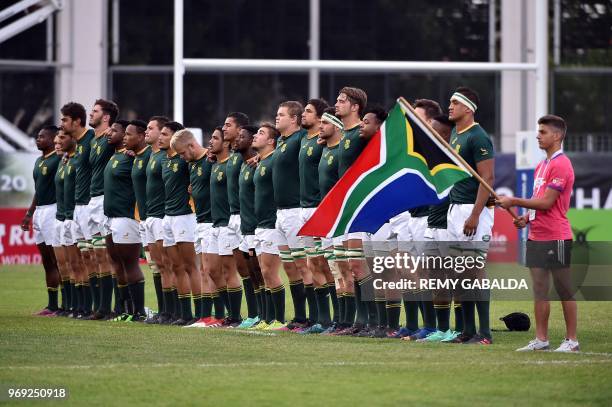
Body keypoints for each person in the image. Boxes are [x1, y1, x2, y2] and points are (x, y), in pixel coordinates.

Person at [497, 115, 579, 352]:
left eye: (543, 132)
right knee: (540, 290)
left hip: (557, 236)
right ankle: (541, 339)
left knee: (564, 289)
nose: (538, 136)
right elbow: (537, 203)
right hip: (537, 236)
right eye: (538, 131)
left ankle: (571, 340)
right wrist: (525, 217)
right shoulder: (541, 165)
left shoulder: (561, 164)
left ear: (557, 135)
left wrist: (513, 200)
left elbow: (547, 203)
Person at [445, 87, 495, 345]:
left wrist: (475, 214)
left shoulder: (478, 137)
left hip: (472, 211)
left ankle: (484, 333)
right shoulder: (455, 133)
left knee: (475, 270)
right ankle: (467, 331)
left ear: (468, 108)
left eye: (454, 102)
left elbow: (487, 178)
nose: (449, 106)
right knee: (458, 272)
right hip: (455, 209)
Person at [333, 86, 376, 336]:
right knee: (352, 265)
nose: (336, 104)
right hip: (347, 208)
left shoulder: (363, 133)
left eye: (341, 101)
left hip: (361, 208)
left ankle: (372, 320)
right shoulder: (344, 134)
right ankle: (360, 322)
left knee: (360, 266)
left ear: (355, 107)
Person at [171, 128, 222, 328]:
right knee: (204, 270)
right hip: (199, 221)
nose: (182, 158)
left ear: (191, 145)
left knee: (211, 270)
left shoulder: (211, 161)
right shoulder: (192, 165)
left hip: (213, 221)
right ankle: (205, 316)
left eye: (183, 153)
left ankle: (219, 315)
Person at [272, 101, 312, 330]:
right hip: (280, 212)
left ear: (294, 119)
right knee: (289, 267)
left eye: (281, 115)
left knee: (303, 265)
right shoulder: (281, 141)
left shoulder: (300, 140)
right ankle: (298, 317)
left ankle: (311, 318)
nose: (277, 118)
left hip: (296, 209)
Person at [102, 119, 147, 321]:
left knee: (130, 264)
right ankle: (124, 309)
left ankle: (138, 312)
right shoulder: (116, 155)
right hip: (111, 217)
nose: (110, 133)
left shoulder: (134, 157)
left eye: (126, 133)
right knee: (117, 264)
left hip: (127, 217)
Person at [159, 121, 201, 325]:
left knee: (190, 266)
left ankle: (199, 313)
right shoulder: (165, 160)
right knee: (175, 266)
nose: (160, 136)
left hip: (185, 216)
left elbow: (201, 165)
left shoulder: (187, 160)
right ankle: (183, 313)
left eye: (164, 133)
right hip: (168, 217)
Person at [297, 98, 332, 332]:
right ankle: (322, 319)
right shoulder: (302, 139)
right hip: (304, 208)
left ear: (320, 118)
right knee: (313, 264)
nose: (303, 115)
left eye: (308, 112)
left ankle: (339, 317)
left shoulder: (324, 143)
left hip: (321, 207)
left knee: (329, 264)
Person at [223, 113, 259, 325]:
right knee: (243, 269)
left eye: (229, 126)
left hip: (249, 218)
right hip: (234, 216)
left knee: (256, 268)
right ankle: (253, 313)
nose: (227, 130)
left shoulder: (251, 159)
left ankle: (262, 314)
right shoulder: (232, 156)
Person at [60, 102, 95, 318]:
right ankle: (82, 307)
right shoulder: (79, 144)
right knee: (80, 260)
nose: (61, 123)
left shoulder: (91, 139)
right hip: (77, 208)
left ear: (77, 121)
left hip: (90, 206)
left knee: (93, 258)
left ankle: (98, 306)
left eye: (64, 119)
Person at [22, 125, 62, 315]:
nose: (38, 139)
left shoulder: (59, 159)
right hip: (40, 212)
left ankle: (68, 304)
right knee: (47, 261)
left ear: (54, 138)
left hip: (53, 211)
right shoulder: (39, 161)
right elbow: (39, 190)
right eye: (37, 136)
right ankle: (52, 305)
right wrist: (29, 214)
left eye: (42, 136)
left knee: (58, 260)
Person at [206, 127, 244, 327]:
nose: (210, 141)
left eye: (215, 138)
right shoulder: (213, 164)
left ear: (226, 143)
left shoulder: (234, 162)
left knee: (229, 270)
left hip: (228, 222)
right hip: (215, 223)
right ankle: (230, 313)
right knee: (212, 270)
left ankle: (235, 317)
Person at [251, 123, 286, 330]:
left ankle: (279, 320)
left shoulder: (274, 161)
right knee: (262, 272)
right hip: (259, 224)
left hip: (272, 223)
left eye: (261, 133)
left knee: (269, 271)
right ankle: (267, 318)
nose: (256, 136)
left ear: (271, 141)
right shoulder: (261, 161)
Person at [87, 99, 120, 315]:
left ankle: (110, 307)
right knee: (96, 254)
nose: (91, 114)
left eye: (95, 111)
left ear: (106, 117)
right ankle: (100, 305)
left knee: (108, 255)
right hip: (92, 199)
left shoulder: (111, 138)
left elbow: (127, 145)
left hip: (104, 200)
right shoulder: (93, 140)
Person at [143, 116, 176, 324]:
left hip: (164, 216)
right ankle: (164, 310)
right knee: (157, 266)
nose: (148, 131)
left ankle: (174, 311)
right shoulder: (152, 155)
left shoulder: (169, 157)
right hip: (150, 217)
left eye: (152, 128)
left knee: (169, 266)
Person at [235, 125, 266, 328]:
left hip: (257, 226)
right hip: (245, 226)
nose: (238, 139)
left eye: (242, 136)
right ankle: (257, 314)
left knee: (260, 270)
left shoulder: (258, 165)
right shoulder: (245, 164)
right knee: (251, 271)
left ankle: (267, 315)